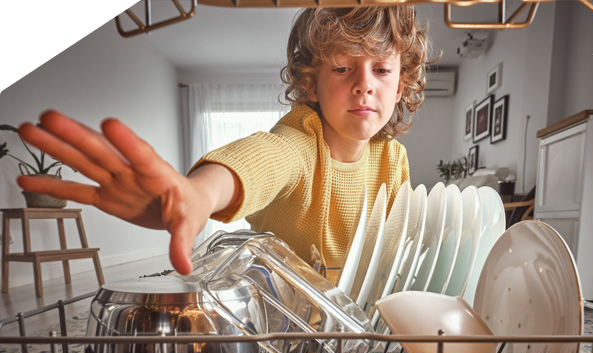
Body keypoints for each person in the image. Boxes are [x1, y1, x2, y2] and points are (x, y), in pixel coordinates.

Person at [16, 6, 432, 279]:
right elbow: (265, 158)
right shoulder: (302, 142)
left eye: (381, 69)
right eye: (342, 68)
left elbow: (395, 245)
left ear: (400, 88)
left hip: (353, 318)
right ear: (312, 85)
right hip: (279, 315)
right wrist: (199, 192)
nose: (364, 86)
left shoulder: (394, 160)